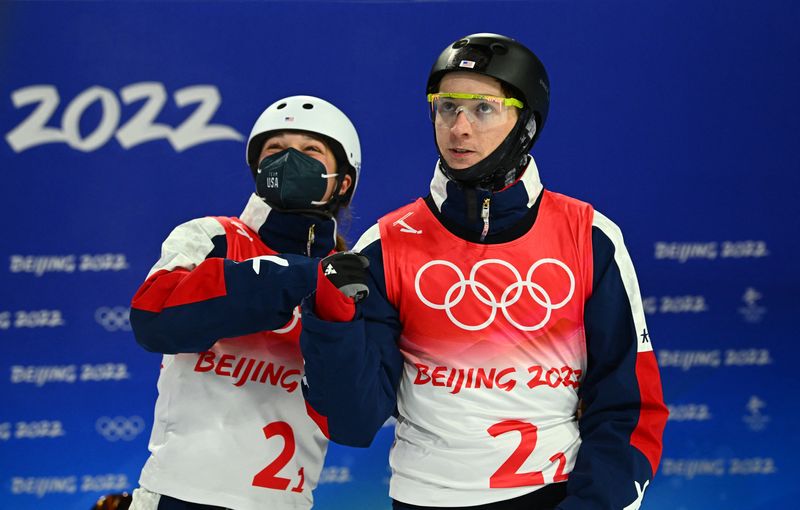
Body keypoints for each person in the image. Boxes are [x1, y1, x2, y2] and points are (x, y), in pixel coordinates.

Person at [299, 34, 669, 510]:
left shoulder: (590, 236)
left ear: (527, 123)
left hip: (555, 495)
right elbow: (351, 422)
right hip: (425, 501)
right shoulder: (386, 244)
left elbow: (630, 408)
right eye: (446, 107)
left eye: (484, 109)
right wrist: (332, 324)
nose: (460, 128)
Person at [127, 95, 362, 510]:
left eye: (310, 150)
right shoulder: (211, 237)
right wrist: (295, 277)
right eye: (276, 149)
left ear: (342, 181)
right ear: (257, 168)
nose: (290, 160)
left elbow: (353, 416)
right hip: (178, 497)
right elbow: (154, 317)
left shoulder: (350, 277)